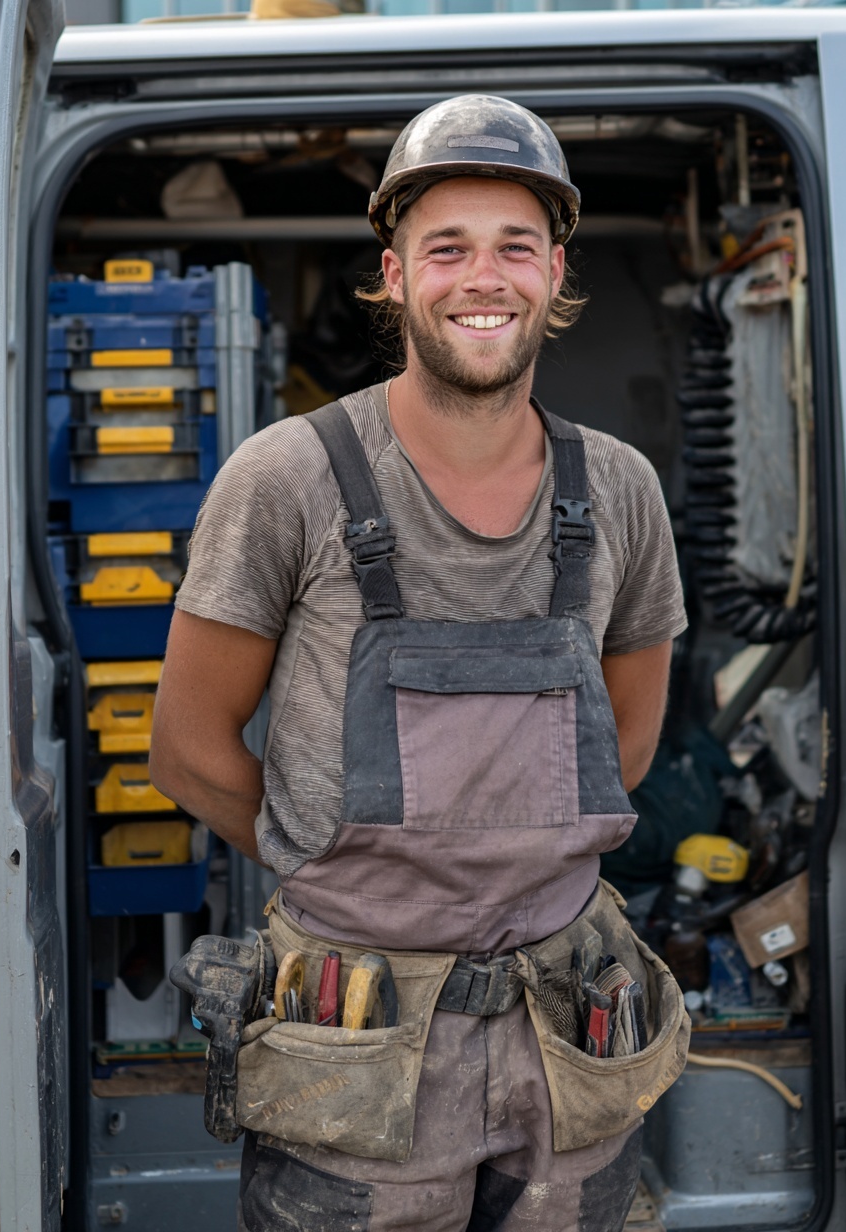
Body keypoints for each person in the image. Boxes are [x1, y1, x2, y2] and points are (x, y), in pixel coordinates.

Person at [152, 94, 689, 1232]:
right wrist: (345, 866)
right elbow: (189, 751)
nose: (480, 278)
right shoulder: (286, 478)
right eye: (445, 248)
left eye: (514, 248)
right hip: (357, 1042)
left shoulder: (621, 492)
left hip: (570, 1028)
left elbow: (628, 741)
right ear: (393, 276)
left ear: (554, 273)